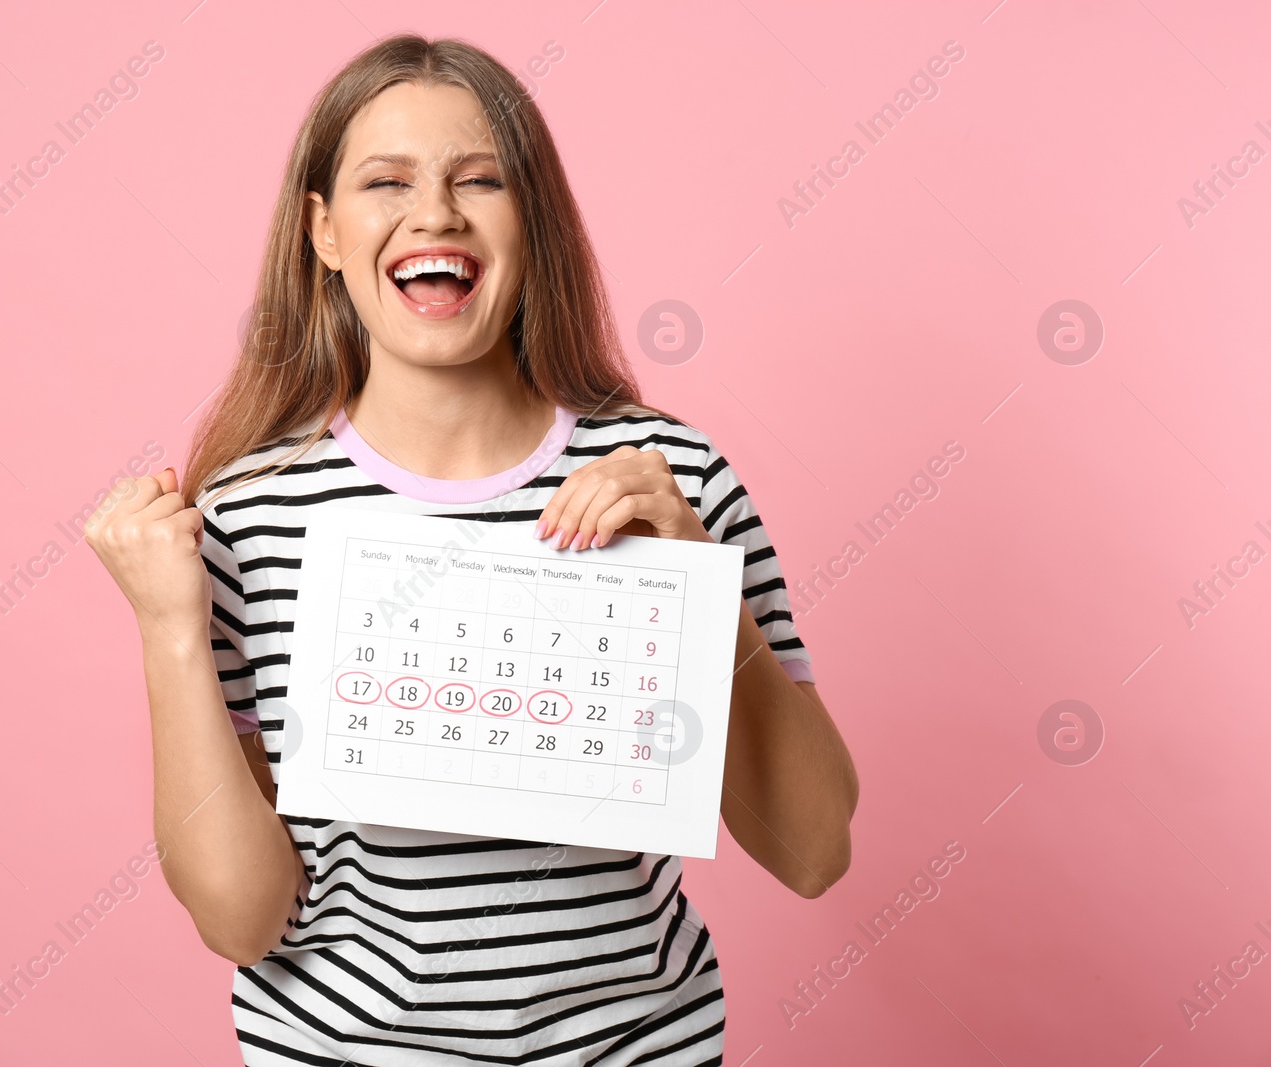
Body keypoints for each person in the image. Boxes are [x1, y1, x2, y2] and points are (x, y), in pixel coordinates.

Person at [85, 33, 858, 1066]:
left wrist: (701, 588)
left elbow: (814, 851)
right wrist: (169, 629)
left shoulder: (668, 480)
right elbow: (241, 920)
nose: (436, 213)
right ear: (323, 231)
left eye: (480, 179)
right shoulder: (250, 518)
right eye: (385, 181)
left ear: (530, 223)